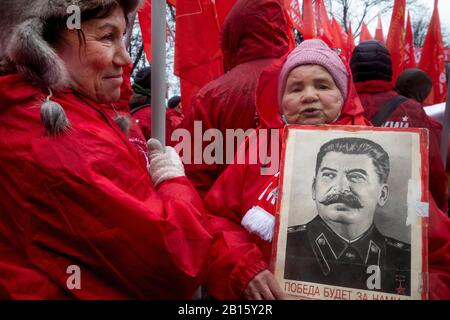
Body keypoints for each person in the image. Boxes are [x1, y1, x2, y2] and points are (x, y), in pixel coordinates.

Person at [203, 39, 450, 300]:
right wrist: (244, 268)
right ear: (281, 101)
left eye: (322, 85)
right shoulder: (258, 147)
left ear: (343, 95)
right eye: (295, 88)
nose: (309, 96)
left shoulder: (382, 153)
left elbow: (439, 257)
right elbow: (214, 219)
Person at [0, 0, 211, 299]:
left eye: (122, 36)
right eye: (106, 36)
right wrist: (174, 184)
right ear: (40, 44)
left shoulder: (78, 109)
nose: (126, 58)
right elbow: (175, 263)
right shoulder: (59, 137)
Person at [182, 0, 291, 197]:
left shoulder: (211, 96)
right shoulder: (308, 82)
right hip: (300, 220)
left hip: (226, 219)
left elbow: (194, 181)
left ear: (233, 34)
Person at [285, 137, 410, 295]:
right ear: (313, 189)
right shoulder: (285, 244)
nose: (339, 188)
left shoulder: (406, 259)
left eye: (356, 177)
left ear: (382, 194)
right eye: (329, 175)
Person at [350, 40, 448, 213]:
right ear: (389, 70)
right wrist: (439, 208)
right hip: (404, 209)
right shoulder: (411, 109)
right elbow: (432, 167)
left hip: (352, 206)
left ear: (353, 69)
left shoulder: (341, 105)